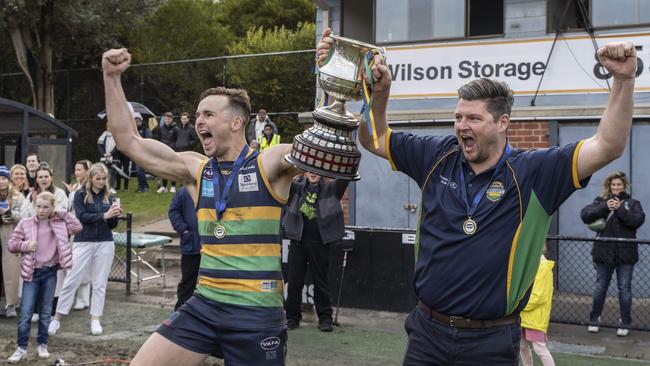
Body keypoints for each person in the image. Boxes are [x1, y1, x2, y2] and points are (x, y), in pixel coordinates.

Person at [318, 28, 637, 364]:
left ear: (502, 123)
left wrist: (624, 80)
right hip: (427, 332)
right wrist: (378, 93)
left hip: (492, 340)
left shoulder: (535, 171)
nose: (461, 126)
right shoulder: (437, 155)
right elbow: (375, 139)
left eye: (473, 118)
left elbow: (608, 145)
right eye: (458, 117)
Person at [101, 47, 300, 366]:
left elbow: (315, 149)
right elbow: (129, 141)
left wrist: (334, 91)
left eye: (208, 114)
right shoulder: (196, 169)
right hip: (204, 306)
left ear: (237, 122)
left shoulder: (267, 163)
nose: (199, 121)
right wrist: (111, 78)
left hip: (257, 313)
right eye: (197, 116)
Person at [7, 191, 81, 363]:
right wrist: (25, 245)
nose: (41, 210)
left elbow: (77, 227)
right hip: (31, 273)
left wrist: (62, 213)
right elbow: (12, 244)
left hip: (50, 272)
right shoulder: (25, 224)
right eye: (38, 206)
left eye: (46, 207)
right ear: (34, 206)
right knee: (25, 313)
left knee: (46, 312)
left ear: (52, 208)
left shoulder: (60, 224)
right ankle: (21, 348)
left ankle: (42, 344)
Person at [49, 163, 122, 336]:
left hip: (105, 242)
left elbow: (112, 225)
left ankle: (95, 319)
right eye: (98, 179)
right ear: (91, 178)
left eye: (104, 179)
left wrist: (114, 215)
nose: (102, 182)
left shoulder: (109, 196)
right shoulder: (80, 194)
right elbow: (81, 217)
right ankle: (57, 318)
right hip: (83, 241)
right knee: (71, 279)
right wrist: (104, 215)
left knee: (100, 283)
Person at [282, 172, 349, 332]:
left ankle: (325, 319)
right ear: (304, 171)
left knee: (321, 283)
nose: (313, 173)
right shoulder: (296, 188)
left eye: (317, 170)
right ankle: (292, 318)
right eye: (310, 169)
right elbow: (282, 178)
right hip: (297, 242)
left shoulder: (332, 189)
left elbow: (346, 176)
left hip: (320, 243)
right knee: (294, 283)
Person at [581, 171, 645, 336]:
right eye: (613, 185)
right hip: (603, 253)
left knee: (624, 289)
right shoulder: (600, 201)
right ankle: (594, 319)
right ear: (609, 186)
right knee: (600, 287)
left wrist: (620, 210)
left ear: (624, 186)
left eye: (619, 185)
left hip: (626, 255)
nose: (616, 187)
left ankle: (625, 323)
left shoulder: (633, 203)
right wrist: (605, 206)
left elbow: (637, 221)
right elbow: (585, 215)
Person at [60, 160, 93, 311]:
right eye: (75, 169)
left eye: (79, 169)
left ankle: (83, 299)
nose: (76, 173)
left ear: (87, 171)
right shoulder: (76, 188)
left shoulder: (90, 188)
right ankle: (76, 297)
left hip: (84, 230)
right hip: (73, 231)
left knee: (83, 265)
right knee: (73, 264)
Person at [520, 249, 556, 366]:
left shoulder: (542, 267)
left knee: (539, 348)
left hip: (535, 318)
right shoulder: (531, 264)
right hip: (524, 316)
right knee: (522, 346)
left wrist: (518, 305)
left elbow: (537, 297)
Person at [168, 187, 201, 310]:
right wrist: (183, 229)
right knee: (188, 282)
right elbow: (173, 211)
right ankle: (181, 312)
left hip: (212, 246)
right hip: (191, 245)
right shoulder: (184, 192)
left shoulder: (214, 188)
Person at [0, 165, 25, 318]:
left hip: (10, 234)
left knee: (11, 270)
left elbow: (24, 216)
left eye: (3, 178)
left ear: (8, 180)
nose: (1, 181)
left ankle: (11, 304)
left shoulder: (17, 196)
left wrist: (8, 213)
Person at [153, 112, 178, 193]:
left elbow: (177, 140)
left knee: (173, 169)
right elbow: (158, 139)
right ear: (164, 119)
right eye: (166, 118)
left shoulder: (175, 129)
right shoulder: (161, 128)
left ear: (172, 119)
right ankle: (164, 186)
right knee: (164, 169)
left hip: (172, 152)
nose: (167, 120)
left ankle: (173, 186)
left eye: (169, 118)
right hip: (163, 152)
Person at [97, 127, 130, 192]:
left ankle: (111, 188)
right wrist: (104, 154)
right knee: (103, 172)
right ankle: (103, 187)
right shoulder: (104, 134)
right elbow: (99, 145)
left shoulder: (118, 135)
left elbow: (118, 146)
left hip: (115, 158)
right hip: (104, 158)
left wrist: (111, 154)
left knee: (112, 172)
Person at [134, 112, 153, 192]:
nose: (136, 121)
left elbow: (149, 141)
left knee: (139, 170)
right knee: (138, 171)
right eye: (135, 120)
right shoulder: (134, 130)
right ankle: (140, 186)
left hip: (144, 153)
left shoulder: (146, 129)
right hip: (136, 153)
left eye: (137, 119)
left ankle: (145, 187)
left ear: (141, 120)